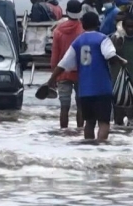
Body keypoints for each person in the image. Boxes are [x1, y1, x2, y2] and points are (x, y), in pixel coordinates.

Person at [46, 12, 124, 143]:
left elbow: (63, 64)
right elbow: (110, 55)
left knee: (89, 122)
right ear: (98, 24)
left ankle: (88, 147)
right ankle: (101, 147)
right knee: (104, 122)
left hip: (85, 90)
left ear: (82, 24)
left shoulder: (78, 42)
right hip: (102, 89)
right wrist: (121, 61)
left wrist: (50, 80)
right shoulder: (103, 39)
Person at [50, 0, 84, 129]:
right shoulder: (83, 29)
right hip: (81, 73)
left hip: (62, 72)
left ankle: (63, 133)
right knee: (81, 106)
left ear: (67, 11)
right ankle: (81, 132)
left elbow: (55, 55)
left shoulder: (58, 30)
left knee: (64, 107)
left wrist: (54, 74)